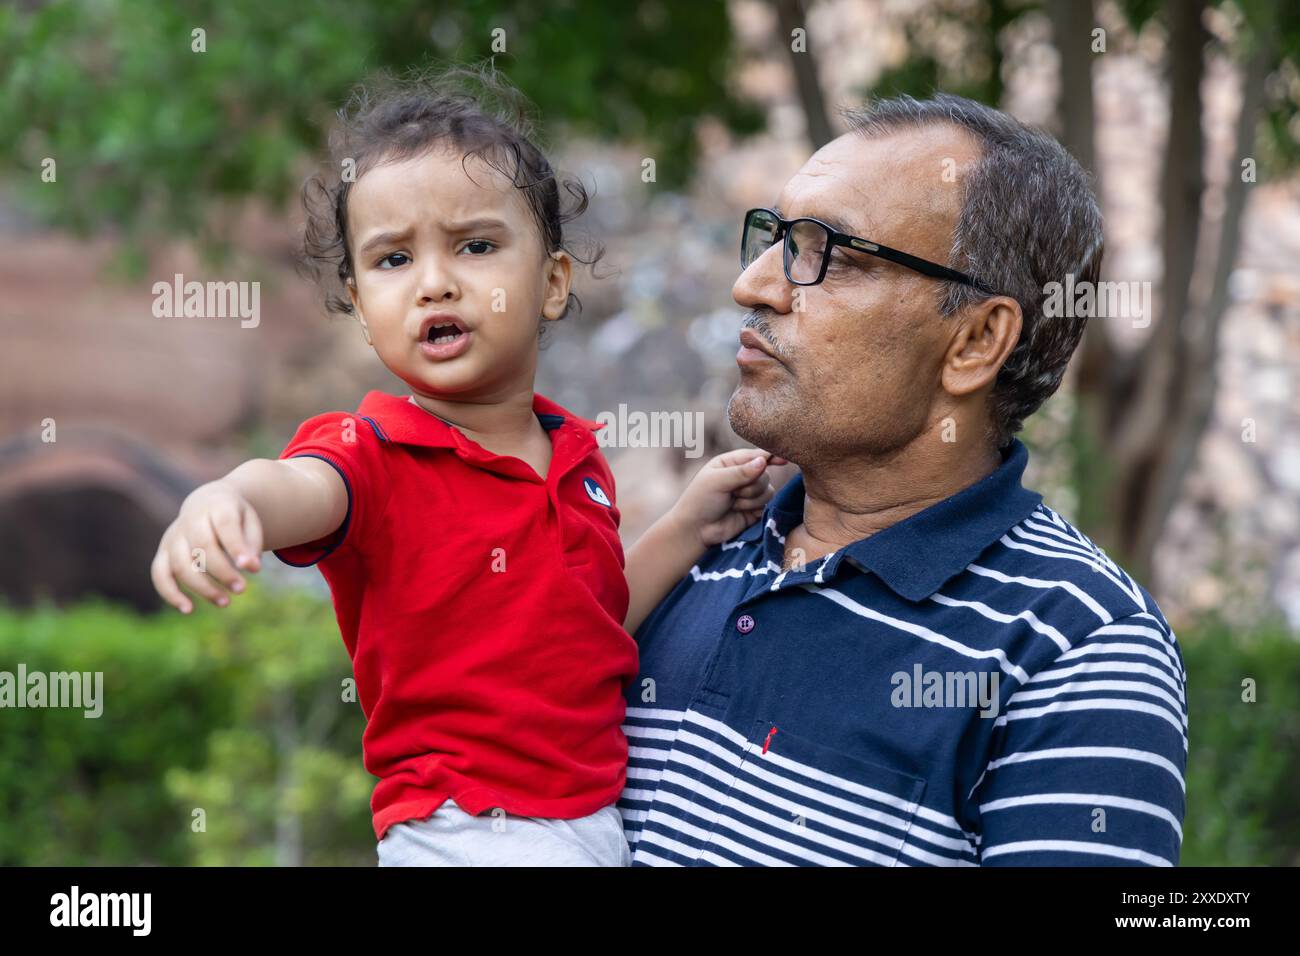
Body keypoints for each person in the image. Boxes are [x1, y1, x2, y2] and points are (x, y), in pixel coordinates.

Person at [149, 64, 782, 866]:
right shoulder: (371, 456)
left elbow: (591, 624)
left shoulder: (579, 460)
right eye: (391, 261)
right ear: (361, 308)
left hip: (595, 826)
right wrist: (229, 494)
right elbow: (299, 487)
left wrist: (690, 524)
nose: (435, 283)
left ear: (552, 283)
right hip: (463, 831)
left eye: (475, 245)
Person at [618, 93, 1188, 867]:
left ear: (976, 342)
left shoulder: (1078, 650)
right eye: (777, 237)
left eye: (834, 255)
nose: (753, 286)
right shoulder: (697, 542)